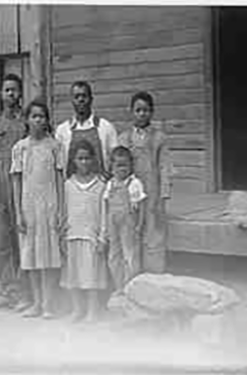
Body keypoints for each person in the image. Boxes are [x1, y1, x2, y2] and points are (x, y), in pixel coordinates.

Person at [10, 99, 65, 319]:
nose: (38, 120)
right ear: (27, 120)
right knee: (31, 256)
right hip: (28, 206)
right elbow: (16, 181)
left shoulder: (55, 146)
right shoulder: (20, 148)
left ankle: (49, 304)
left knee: (48, 257)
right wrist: (18, 212)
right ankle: (36, 302)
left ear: (47, 120)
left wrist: (61, 209)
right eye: (34, 116)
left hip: (49, 205)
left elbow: (60, 178)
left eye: (42, 116)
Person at [0, 74, 30, 311]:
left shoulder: (26, 124)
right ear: (1, 95)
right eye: (7, 90)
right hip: (1, 188)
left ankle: (23, 292)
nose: (11, 94)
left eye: (15, 90)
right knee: (1, 242)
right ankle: (6, 290)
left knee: (21, 239)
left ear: (20, 93)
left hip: (20, 186)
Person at [118, 91, 173, 274]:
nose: (142, 114)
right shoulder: (124, 138)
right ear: (131, 112)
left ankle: (154, 279)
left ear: (152, 112)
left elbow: (165, 167)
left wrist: (163, 197)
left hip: (152, 195)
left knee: (153, 235)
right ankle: (132, 280)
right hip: (131, 195)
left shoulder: (159, 138)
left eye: (146, 110)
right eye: (138, 110)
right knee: (132, 234)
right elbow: (119, 168)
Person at [60, 139, 108, 323]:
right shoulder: (67, 185)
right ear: (73, 160)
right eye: (80, 158)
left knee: (92, 276)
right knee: (73, 275)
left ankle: (92, 310)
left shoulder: (100, 185)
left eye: (87, 158)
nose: (84, 162)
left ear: (93, 159)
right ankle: (77, 309)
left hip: (92, 238)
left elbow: (104, 213)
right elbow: (63, 212)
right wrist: (62, 236)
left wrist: (102, 237)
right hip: (72, 235)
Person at [100, 146, 146, 294]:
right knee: (114, 255)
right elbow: (106, 206)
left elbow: (141, 204)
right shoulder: (110, 184)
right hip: (113, 222)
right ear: (111, 167)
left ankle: (130, 284)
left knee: (129, 254)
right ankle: (118, 284)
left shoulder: (134, 183)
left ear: (131, 166)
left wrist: (139, 223)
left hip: (128, 222)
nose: (122, 169)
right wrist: (105, 227)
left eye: (125, 165)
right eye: (118, 165)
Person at [55, 81, 119, 181]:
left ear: (91, 99)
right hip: (71, 190)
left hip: (101, 189)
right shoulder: (62, 130)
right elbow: (58, 164)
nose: (81, 99)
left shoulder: (106, 127)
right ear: (72, 100)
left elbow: (115, 160)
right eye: (77, 97)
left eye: (84, 96)